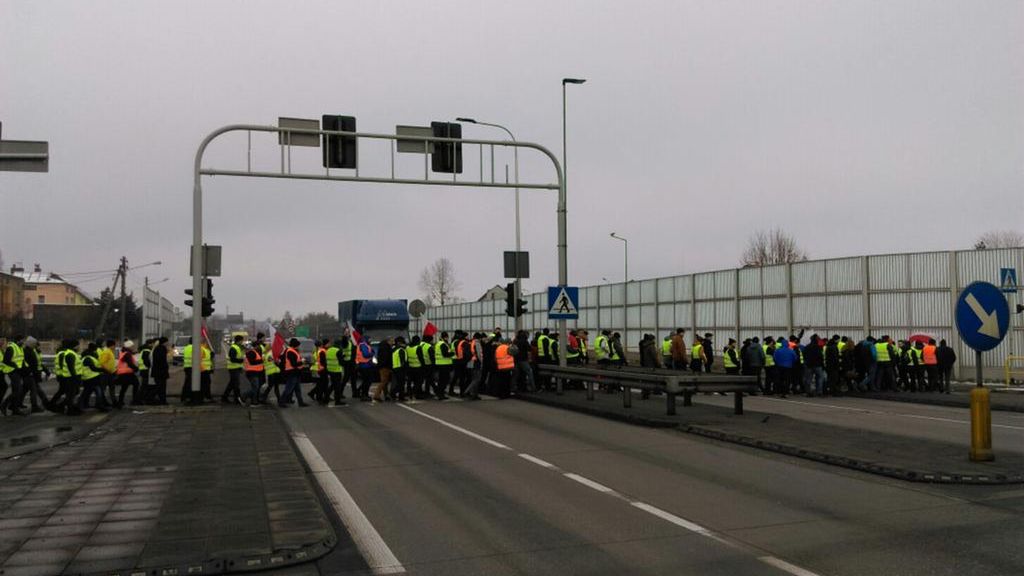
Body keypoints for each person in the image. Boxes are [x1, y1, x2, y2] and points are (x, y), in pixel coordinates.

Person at [77, 342, 109, 412]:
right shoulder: (88, 358)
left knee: (87, 392)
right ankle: (99, 406)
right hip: (91, 378)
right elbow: (93, 368)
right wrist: (103, 370)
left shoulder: (87, 357)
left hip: (89, 378)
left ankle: (82, 405)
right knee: (98, 392)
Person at [22, 337, 49, 412]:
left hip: (32, 374)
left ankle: (14, 404)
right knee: (34, 391)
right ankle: (35, 406)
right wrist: (30, 372)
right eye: (34, 344)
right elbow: (27, 363)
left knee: (25, 390)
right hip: (30, 374)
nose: (35, 346)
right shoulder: (27, 351)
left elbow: (37, 363)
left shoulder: (31, 351)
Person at [279, 338, 307, 407]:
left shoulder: (293, 351)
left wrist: (301, 362)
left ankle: (301, 402)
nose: (299, 347)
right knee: (289, 389)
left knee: (297, 389)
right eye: (298, 345)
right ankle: (281, 402)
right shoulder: (290, 351)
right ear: (295, 345)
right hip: (292, 372)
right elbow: (294, 364)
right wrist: (302, 362)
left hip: (295, 372)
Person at [114, 340, 140, 408]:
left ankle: (120, 402)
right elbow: (130, 363)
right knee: (136, 384)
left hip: (123, 373)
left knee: (124, 387)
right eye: (132, 346)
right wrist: (136, 369)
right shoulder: (127, 354)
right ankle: (134, 400)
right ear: (129, 346)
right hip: (127, 373)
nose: (133, 347)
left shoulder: (124, 352)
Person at [223, 335, 246, 404]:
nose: (242, 342)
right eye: (242, 340)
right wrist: (241, 361)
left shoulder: (237, 347)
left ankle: (224, 397)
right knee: (236, 384)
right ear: (239, 341)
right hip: (233, 368)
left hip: (236, 368)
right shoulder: (234, 348)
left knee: (232, 384)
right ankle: (237, 398)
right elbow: (232, 359)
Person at [243, 337, 265, 406]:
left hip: (254, 372)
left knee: (255, 388)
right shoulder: (251, 352)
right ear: (255, 346)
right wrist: (261, 361)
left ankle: (254, 401)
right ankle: (244, 396)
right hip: (252, 373)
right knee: (255, 388)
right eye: (258, 346)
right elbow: (252, 362)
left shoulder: (253, 352)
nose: (259, 348)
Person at [324, 339, 346, 406]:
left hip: (330, 370)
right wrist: (343, 359)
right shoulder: (338, 350)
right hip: (336, 370)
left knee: (333, 385)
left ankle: (326, 398)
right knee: (337, 386)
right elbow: (341, 362)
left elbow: (332, 358)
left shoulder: (329, 350)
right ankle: (337, 401)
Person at [150, 337, 170, 405]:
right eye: (167, 342)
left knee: (159, 386)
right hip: (161, 372)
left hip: (157, 371)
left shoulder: (157, 348)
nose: (168, 343)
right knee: (161, 387)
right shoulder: (162, 349)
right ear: (164, 342)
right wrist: (166, 367)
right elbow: (162, 360)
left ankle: (161, 400)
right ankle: (152, 398)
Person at [356, 337, 377, 401]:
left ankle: (363, 394)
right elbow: (366, 355)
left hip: (365, 365)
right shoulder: (363, 345)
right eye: (369, 339)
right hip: (365, 365)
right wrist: (372, 353)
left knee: (366, 381)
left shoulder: (364, 345)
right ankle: (364, 395)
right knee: (367, 381)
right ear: (366, 339)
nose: (370, 340)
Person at [374, 337, 394, 402]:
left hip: (382, 366)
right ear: (388, 341)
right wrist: (388, 366)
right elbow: (386, 358)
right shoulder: (386, 348)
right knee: (384, 381)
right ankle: (376, 395)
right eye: (392, 341)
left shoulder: (383, 347)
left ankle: (386, 395)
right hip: (385, 367)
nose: (393, 343)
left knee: (385, 382)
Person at [390, 337, 408, 401]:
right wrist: (405, 369)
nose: (404, 344)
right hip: (400, 368)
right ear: (399, 343)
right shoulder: (401, 350)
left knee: (398, 383)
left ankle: (399, 396)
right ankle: (395, 394)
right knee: (401, 383)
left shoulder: (394, 349)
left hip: (395, 367)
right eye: (403, 343)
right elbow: (403, 361)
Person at [137, 339, 152, 403]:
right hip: (145, 369)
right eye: (152, 344)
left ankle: (141, 398)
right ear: (150, 344)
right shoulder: (146, 351)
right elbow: (146, 361)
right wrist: (149, 366)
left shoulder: (143, 350)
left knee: (144, 384)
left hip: (142, 369)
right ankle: (140, 398)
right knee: (144, 385)